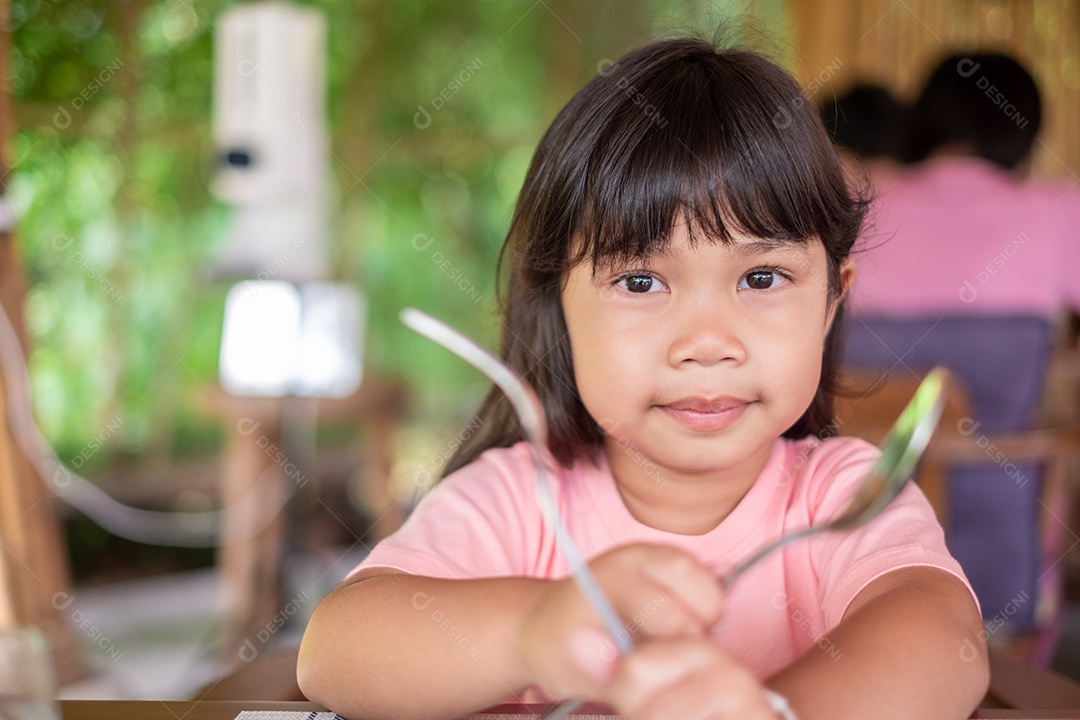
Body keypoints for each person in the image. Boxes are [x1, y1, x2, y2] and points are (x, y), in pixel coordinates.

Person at [298, 37, 988, 720]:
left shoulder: (843, 495)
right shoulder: (518, 499)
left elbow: (939, 637)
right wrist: (531, 631)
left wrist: (776, 713)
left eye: (761, 277)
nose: (707, 343)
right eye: (639, 280)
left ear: (833, 297)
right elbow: (335, 651)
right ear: (558, 304)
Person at [845, 52, 1080, 654]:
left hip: (847, 546)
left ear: (920, 120)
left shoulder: (850, 204)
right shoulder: (1058, 212)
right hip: (995, 560)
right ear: (1023, 131)